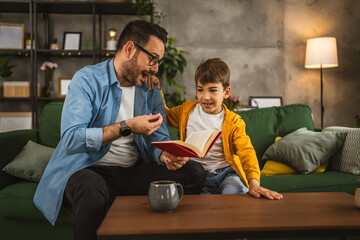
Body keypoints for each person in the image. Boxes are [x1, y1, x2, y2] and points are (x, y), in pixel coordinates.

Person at [33, 20, 205, 240]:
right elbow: (72, 139)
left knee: (194, 173)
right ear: (130, 49)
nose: (155, 68)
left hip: (131, 173)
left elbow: (158, 139)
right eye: (152, 59)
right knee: (91, 188)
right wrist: (128, 126)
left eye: (158, 61)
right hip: (88, 168)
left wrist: (165, 156)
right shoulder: (87, 80)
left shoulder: (150, 89)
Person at [148, 58, 283, 199]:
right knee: (204, 208)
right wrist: (157, 90)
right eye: (200, 90)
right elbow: (164, 115)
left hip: (226, 174)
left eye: (213, 90)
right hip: (198, 175)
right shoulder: (186, 111)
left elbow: (246, 152)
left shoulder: (233, 121)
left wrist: (254, 183)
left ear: (226, 92)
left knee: (234, 193)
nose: (206, 97)